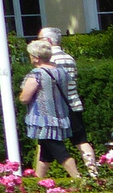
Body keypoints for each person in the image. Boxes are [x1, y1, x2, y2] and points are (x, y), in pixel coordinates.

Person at [17, 40, 80, 179]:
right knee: (45, 152)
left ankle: (78, 179)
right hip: (60, 116)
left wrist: (21, 96)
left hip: (44, 120)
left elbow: (25, 98)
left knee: (59, 151)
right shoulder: (60, 70)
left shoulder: (37, 74)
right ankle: (38, 181)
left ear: (36, 57)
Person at [40, 27, 93, 166]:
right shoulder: (69, 58)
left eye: (40, 39)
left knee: (48, 142)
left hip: (58, 108)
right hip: (73, 104)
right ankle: (94, 172)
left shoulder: (50, 60)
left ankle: (37, 180)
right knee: (81, 141)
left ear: (48, 40)